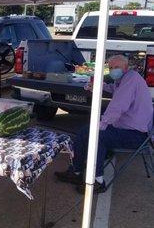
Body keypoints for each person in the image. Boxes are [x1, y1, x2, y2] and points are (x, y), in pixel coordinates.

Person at [55, 54, 153, 193]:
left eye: (116, 67)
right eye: (111, 67)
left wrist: (103, 124)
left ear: (125, 67)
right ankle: (75, 172)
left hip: (136, 135)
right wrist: (99, 86)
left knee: (98, 136)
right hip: (126, 128)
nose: (113, 70)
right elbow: (115, 90)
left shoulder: (131, 79)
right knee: (84, 131)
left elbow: (118, 107)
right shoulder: (125, 78)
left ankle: (98, 181)